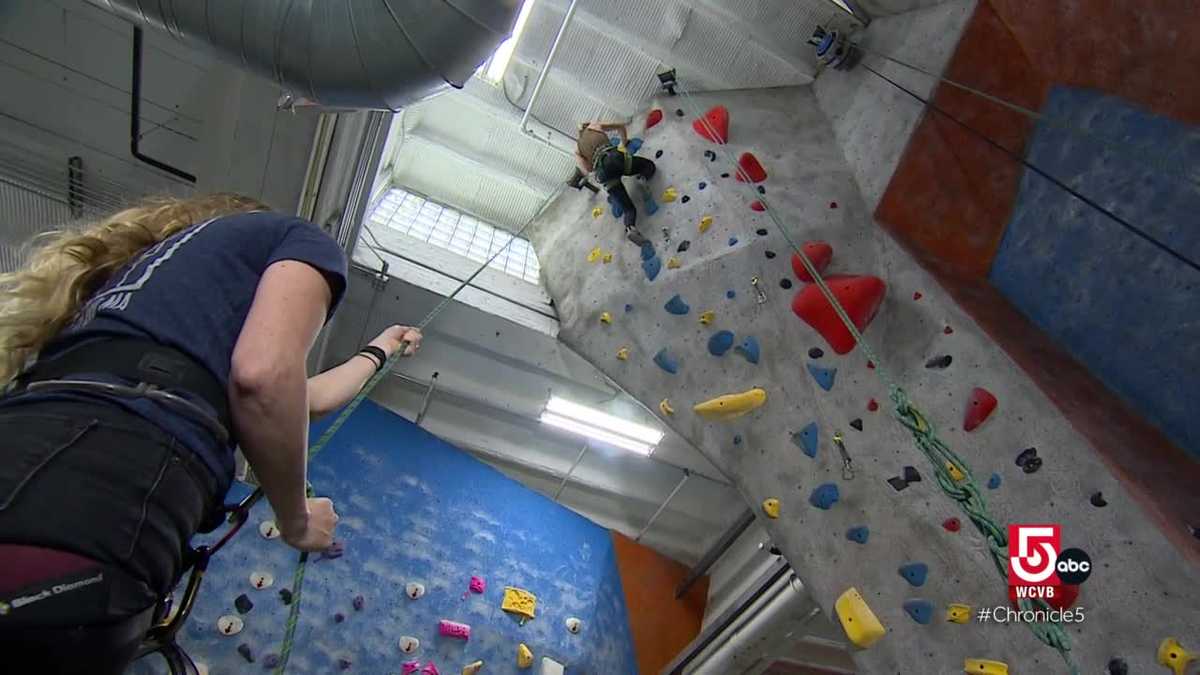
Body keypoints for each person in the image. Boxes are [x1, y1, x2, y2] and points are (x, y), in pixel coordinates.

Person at [0, 194, 422, 674]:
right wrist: (297, 520)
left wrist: (379, 348)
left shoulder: (139, 288)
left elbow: (302, 397)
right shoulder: (293, 234)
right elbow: (262, 378)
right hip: (108, 488)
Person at [574, 120, 656, 246]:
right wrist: (624, 143)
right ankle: (641, 178)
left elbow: (588, 170)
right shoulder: (594, 125)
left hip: (603, 174)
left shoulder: (577, 149)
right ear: (586, 125)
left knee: (628, 209)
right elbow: (620, 125)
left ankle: (630, 228)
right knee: (648, 166)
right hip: (614, 158)